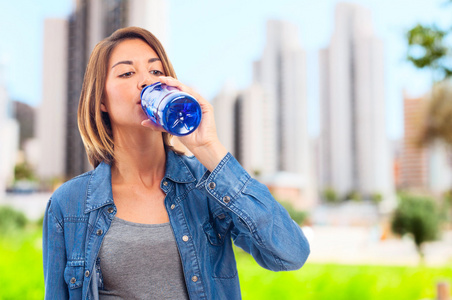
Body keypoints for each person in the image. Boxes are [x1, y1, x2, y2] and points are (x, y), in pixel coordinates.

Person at [42, 26, 310, 300]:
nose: (146, 82)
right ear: (101, 100)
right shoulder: (70, 203)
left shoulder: (207, 188)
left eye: (156, 71)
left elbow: (290, 255)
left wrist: (209, 148)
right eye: (127, 73)